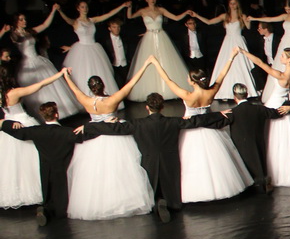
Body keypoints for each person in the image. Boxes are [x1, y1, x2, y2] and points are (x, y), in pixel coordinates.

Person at [143, 55, 253, 203]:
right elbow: (222, 75)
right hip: (210, 130)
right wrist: (231, 57)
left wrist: (156, 63)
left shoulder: (188, 96)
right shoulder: (211, 92)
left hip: (191, 130)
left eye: (188, 77)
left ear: (192, 81)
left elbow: (168, 81)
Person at [80, 92, 204, 221]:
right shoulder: (174, 121)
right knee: (170, 181)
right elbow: (196, 121)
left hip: (148, 159)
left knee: (149, 183)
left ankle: (154, 203)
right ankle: (172, 203)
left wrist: (89, 127)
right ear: (162, 107)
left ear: (147, 107)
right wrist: (215, 116)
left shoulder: (138, 123)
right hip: (169, 158)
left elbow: (115, 129)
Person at [60, 69, 158, 221]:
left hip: (93, 138)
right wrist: (146, 65)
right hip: (114, 137)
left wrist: (66, 75)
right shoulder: (111, 100)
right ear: (103, 85)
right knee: (118, 168)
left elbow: (74, 89)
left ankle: (98, 204)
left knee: (95, 172)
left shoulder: (86, 100)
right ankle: (122, 201)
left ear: (90, 88)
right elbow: (130, 84)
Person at [238, 47, 290, 186]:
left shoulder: (282, 75)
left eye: (283, 56)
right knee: (287, 140)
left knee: (275, 139)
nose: (280, 57)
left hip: (275, 106)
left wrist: (244, 52)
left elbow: (260, 63)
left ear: (289, 59)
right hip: (285, 105)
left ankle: (276, 173)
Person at [2, 100, 92, 224]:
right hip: (63, 167)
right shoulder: (67, 132)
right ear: (56, 114)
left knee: (47, 189)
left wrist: (9, 123)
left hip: (46, 167)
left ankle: (46, 209)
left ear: (42, 115)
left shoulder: (36, 131)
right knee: (62, 191)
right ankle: (60, 213)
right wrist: (88, 127)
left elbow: (17, 133)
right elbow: (87, 135)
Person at [0, 66, 66, 209]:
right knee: (33, 158)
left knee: (12, 163)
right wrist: (60, 74)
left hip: (8, 125)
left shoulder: (2, 95)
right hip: (22, 122)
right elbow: (40, 85)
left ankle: (17, 193)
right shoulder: (14, 93)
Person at [215, 82, 290, 190]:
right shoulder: (259, 109)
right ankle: (261, 184)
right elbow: (276, 113)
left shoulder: (233, 112)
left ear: (234, 97)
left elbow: (218, 123)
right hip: (257, 141)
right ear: (247, 94)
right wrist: (289, 105)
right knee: (259, 161)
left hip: (240, 143)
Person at [9, 9, 82, 118]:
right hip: (28, 64)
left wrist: (53, 11)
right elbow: (16, 39)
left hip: (39, 60)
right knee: (38, 89)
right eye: (21, 20)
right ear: (16, 22)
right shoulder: (14, 34)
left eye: (24, 19)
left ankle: (58, 112)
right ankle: (45, 115)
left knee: (52, 86)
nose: (24, 21)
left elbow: (45, 25)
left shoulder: (29, 31)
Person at [188, 0, 258, 102]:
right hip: (228, 42)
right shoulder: (225, 16)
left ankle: (244, 91)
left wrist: (248, 20)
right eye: (231, 3)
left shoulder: (241, 16)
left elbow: (248, 27)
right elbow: (209, 22)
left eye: (234, 3)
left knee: (240, 65)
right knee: (226, 65)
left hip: (238, 41)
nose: (232, 5)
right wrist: (196, 15)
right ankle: (225, 92)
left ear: (237, 4)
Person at [56, 0, 130, 97]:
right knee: (83, 72)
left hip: (94, 48)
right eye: (82, 7)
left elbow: (108, 15)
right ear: (78, 9)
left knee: (100, 72)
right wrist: (59, 11)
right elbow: (67, 20)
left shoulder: (92, 20)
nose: (85, 9)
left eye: (86, 7)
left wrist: (122, 6)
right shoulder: (76, 22)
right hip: (82, 50)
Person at [125, 0, 191, 98]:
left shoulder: (161, 10)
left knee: (165, 61)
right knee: (149, 63)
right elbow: (130, 17)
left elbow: (175, 18)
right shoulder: (143, 11)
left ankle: (168, 89)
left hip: (161, 36)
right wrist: (129, 7)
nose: (152, 0)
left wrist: (185, 13)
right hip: (149, 38)